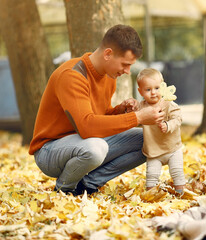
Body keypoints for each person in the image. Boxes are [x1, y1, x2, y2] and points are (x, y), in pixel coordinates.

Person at [29, 24, 165, 196]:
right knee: (95, 148)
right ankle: (65, 189)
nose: (127, 71)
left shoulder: (108, 76)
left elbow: (99, 117)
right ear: (108, 54)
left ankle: (88, 184)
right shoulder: (71, 76)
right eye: (125, 64)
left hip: (83, 143)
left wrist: (120, 111)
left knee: (151, 139)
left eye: (130, 66)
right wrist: (137, 118)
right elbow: (88, 127)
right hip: (49, 151)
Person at [136, 68, 185, 193]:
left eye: (157, 88)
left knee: (177, 172)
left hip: (172, 148)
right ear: (140, 92)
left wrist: (168, 125)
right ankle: (150, 195)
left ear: (163, 87)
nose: (153, 93)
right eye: (148, 89)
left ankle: (181, 194)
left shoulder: (168, 104)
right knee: (151, 176)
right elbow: (134, 117)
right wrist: (129, 107)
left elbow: (178, 118)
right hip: (153, 151)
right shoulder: (141, 107)